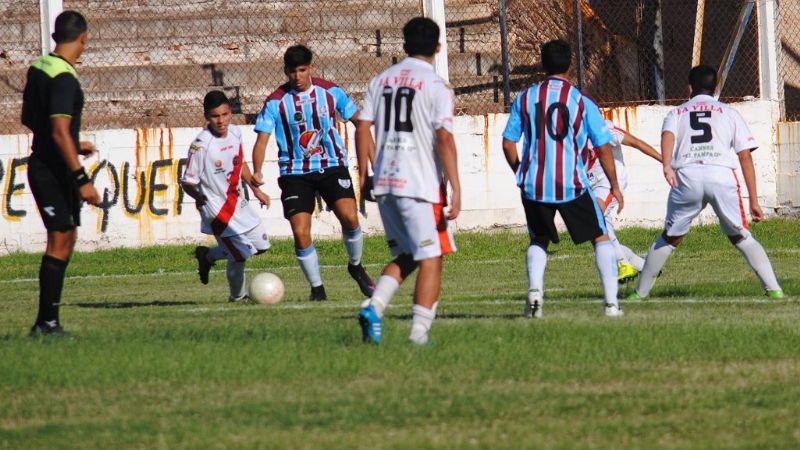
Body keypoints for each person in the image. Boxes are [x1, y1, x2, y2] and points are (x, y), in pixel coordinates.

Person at [628, 65, 784, 300]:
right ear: (716, 88)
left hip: (687, 177)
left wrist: (667, 165)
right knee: (741, 236)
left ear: (689, 87)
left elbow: (667, 136)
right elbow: (744, 156)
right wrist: (753, 199)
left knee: (670, 237)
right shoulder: (729, 113)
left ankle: (639, 295)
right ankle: (774, 290)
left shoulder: (677, 113)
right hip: (721, 176)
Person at [356, 17, 461, 345]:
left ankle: (374, 307)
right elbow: (444, 137)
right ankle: (419, 335)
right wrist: (456, 187)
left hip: (386, 183)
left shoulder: (381, 80)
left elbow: (362, 126)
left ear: (403, 46)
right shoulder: (436, 86)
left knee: (410, 255)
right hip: (418, 185)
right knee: (431, 256)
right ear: (439, 48)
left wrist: (363, 175)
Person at [501, 39, 624, 319]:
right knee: (600, 237)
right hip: (573, 184)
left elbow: (508, 143)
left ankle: (535, 293)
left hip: (534, 184)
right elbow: (603, 147)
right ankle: (611, 304)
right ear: (571, 64)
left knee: (538, 239)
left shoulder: (525, 97)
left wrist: (522, 172)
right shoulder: (580, 101)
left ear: (542, 65)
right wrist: (614, 186)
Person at [251, 45, 375, 301]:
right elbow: (262, 140)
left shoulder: (331, 92)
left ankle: (356, 266)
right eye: (292, 71)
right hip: (294, 172)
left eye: (302, 70)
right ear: (286, 71)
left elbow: (361, 125)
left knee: (350, 218)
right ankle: (317, 289)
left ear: (311, 68)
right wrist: (258, 171)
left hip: (331, 165)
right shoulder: (276, 101)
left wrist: (376, 163)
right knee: (301, 231)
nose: (297, 76)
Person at [21, 10, 101, 336]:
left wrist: (72, 142)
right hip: (52, 171)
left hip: (48, 162)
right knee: (59, 239)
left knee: (66, 236)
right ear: (83, 38)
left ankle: (48, 322)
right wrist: (81, 178)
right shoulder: (64, 77)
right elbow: (57, 129)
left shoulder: (39, 67)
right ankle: (46, 324)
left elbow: (31, 119)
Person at [182, 91, 272, 302]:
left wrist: (256, 189)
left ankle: (208, 256)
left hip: (237, 203)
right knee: (239, 256)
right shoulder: (201, 145)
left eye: (224, 114)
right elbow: (187, 182)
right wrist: (198, 196)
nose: (220, 120)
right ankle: (238, 297)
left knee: (261, 247)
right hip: (217, 210)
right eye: (215, 116)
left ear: (230, 112)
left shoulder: (235, 132)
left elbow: (239, 164)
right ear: (206, 116)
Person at [584, 120, 662, 282]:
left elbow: (636, 143)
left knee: (598, 220)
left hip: (609, 182)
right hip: (592, 185)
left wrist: (665, 161)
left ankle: (623, 266)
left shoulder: (603, 127)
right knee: (599, 231)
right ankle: (644, 267)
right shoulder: (572, 133)